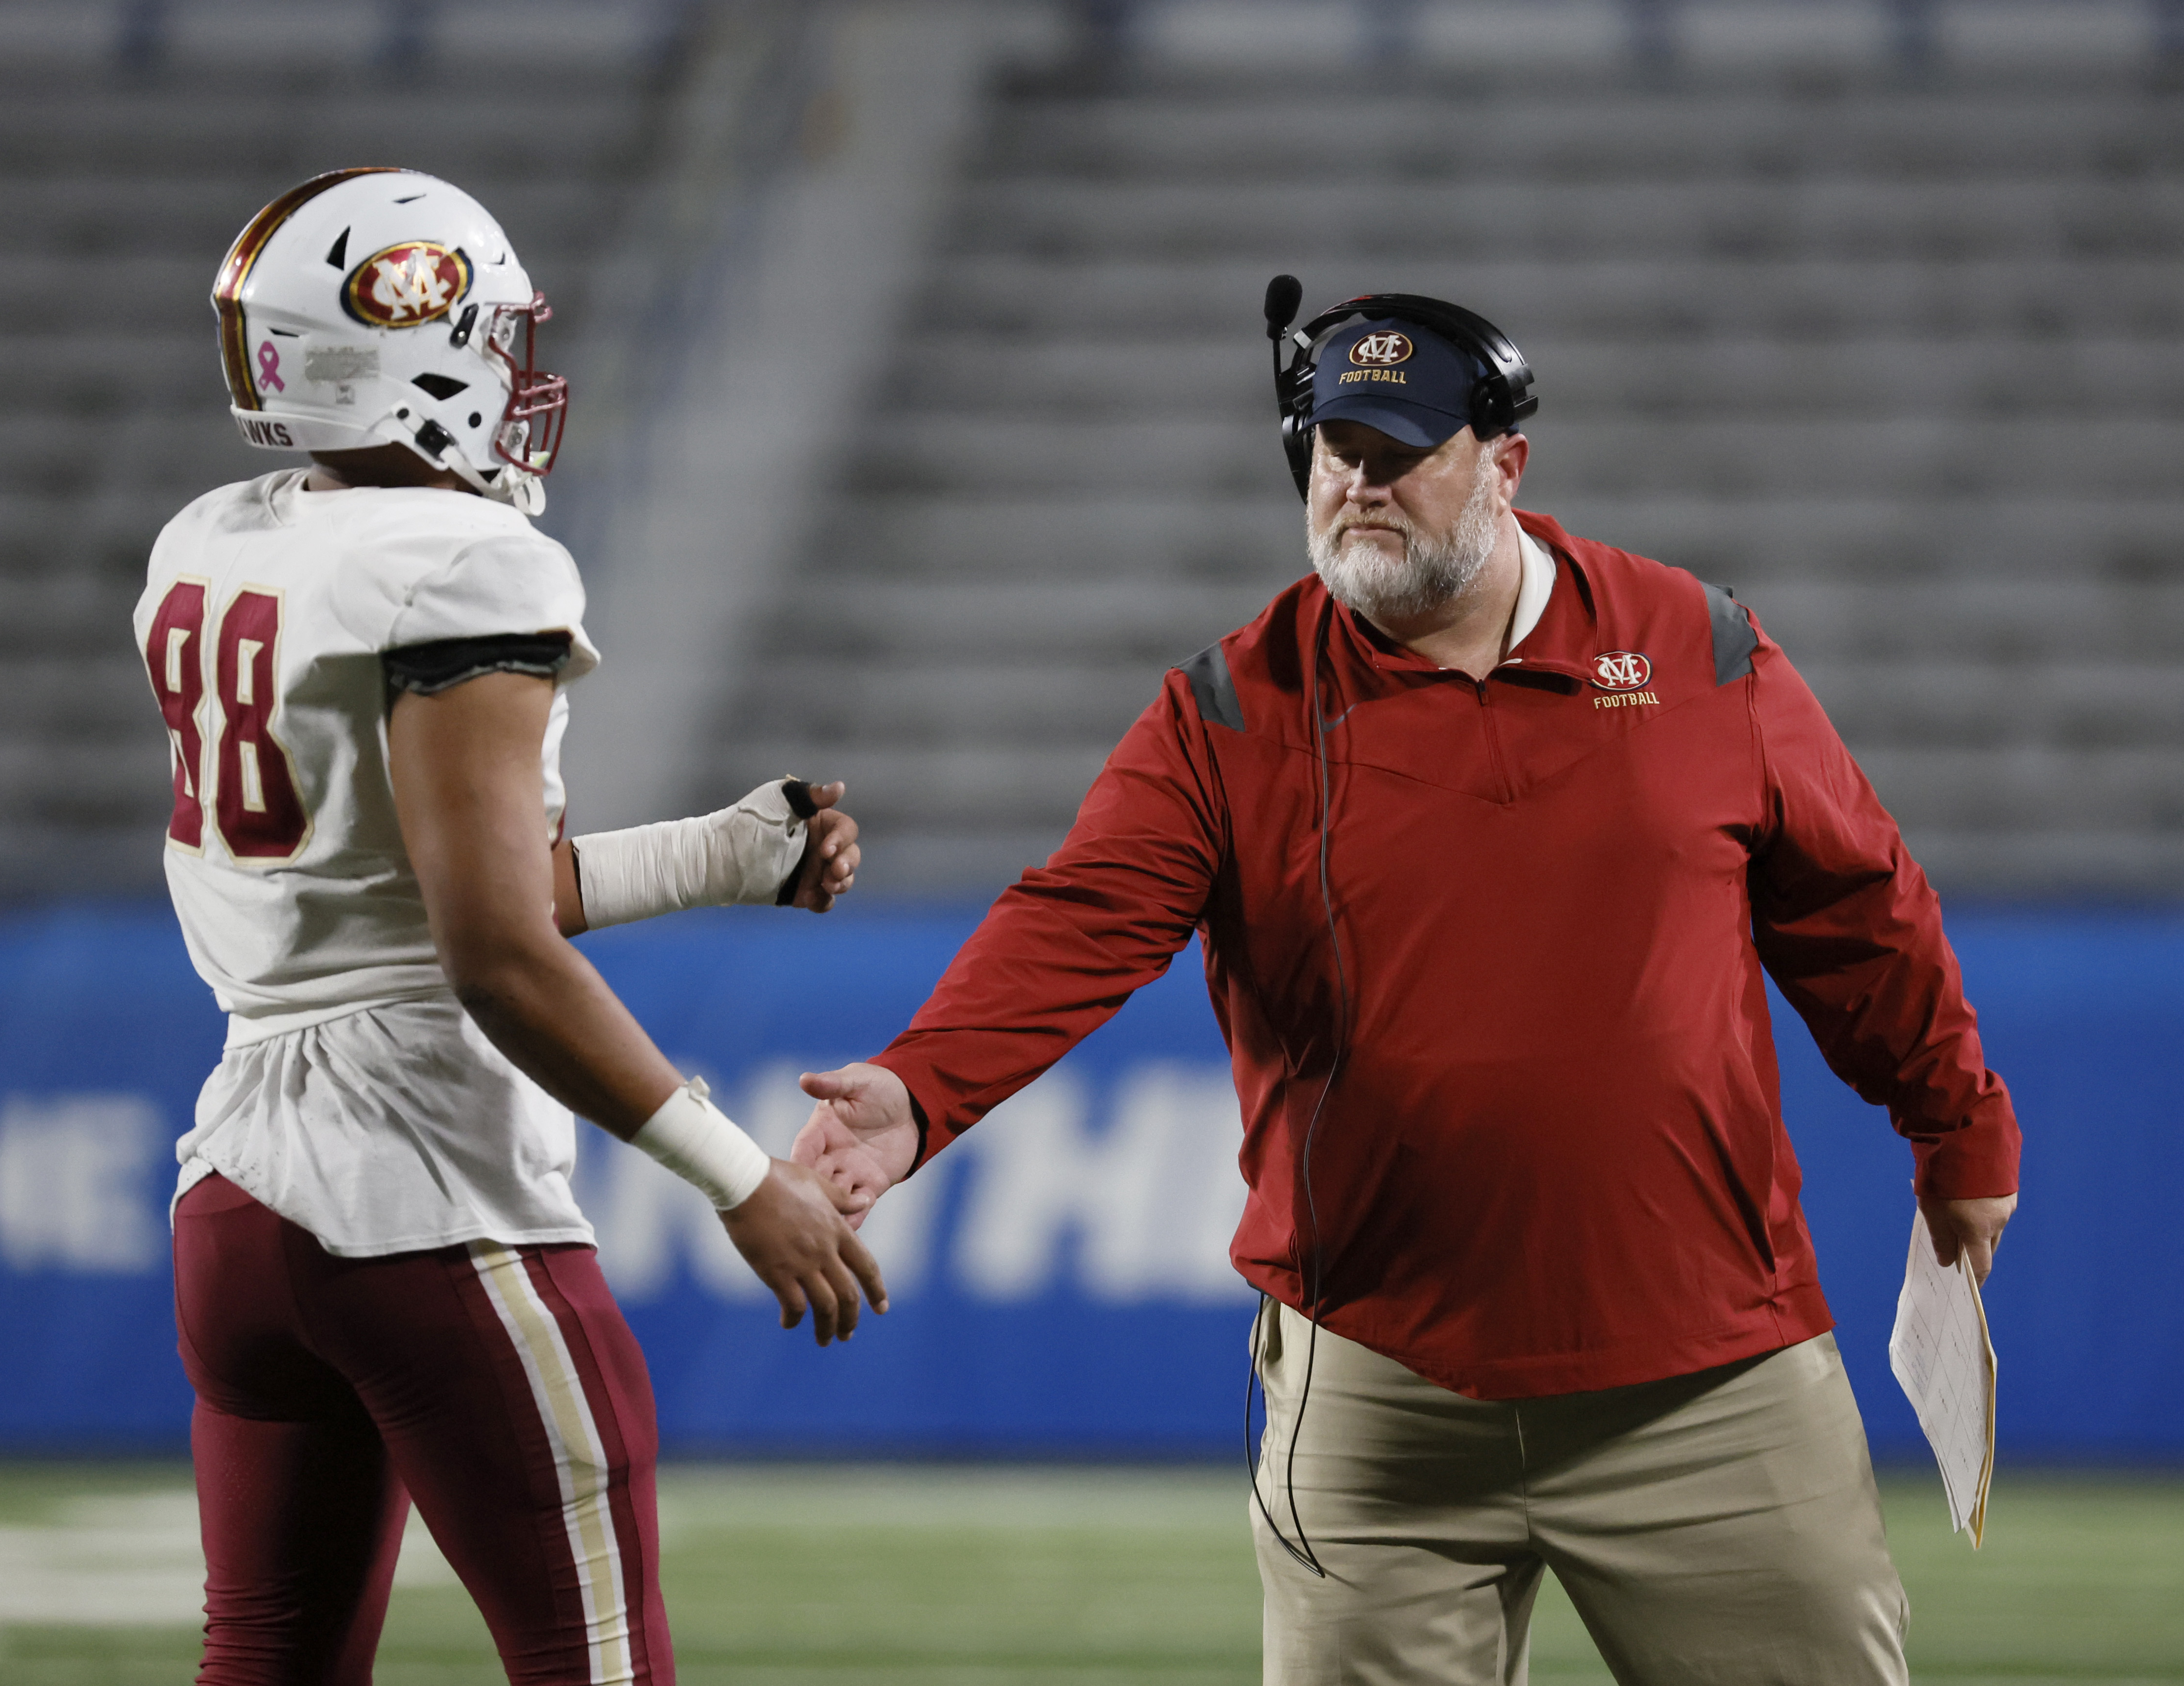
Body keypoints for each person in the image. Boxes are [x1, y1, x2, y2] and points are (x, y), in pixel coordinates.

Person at [792, 291, 2019, 1685]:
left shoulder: (1699, 647)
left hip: (1707, 1384)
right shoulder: (1234, 706)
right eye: (1332, 453)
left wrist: (1957, 1123)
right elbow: (1077, 919)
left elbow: (1864, 908)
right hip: (1379, 1406)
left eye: (1399, 454)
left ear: (1505, 463)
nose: (1357, 486)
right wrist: (918, 1087)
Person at [138, 167, 887, 1686]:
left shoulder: (215, 539)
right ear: (406, 347)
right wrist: (741, 1178)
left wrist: (718, 854)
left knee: (266, 1659)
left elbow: (436, 888)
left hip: (237, 1203)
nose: (512, 370)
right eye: (489, 334)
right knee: (596, 1659)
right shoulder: (461, 560)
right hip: (419, 1188)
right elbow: (489, 951)